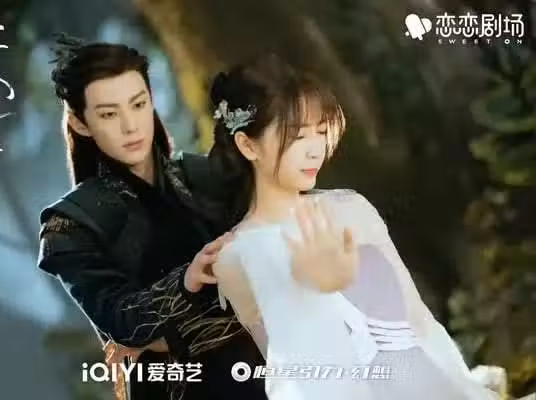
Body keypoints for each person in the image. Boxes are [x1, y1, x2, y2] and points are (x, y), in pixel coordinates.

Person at [208, 53, 501, 399]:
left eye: (321, 132)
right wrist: (315, 291)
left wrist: (462, 388)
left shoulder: (351, 208)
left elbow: (421, 325)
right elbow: (295, 376)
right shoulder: (237, 256)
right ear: (247, 145)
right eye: (298, 136)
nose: (316, 149)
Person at [37, 35, 266, 400]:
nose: (131, 126)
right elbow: (122, 320)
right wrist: (187, 281)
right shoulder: (71, 226)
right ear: (81, 123)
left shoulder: (206, 175)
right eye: (109, 114)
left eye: (138, 104)